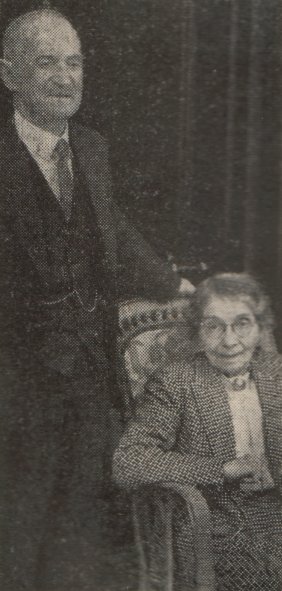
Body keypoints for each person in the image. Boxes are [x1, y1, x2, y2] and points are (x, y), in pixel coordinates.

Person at [0, 8, 194, 591]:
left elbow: (114, 229)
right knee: (18, 531)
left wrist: (175, 284)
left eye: (75, 61)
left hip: (90, 378)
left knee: (78, 533)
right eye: (47, 63)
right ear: (10, 75)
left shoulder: (90, 147)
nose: (66, 78)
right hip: (15, 391)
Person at [114, 273, 282, 590]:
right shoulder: (177, 382)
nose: (230, 341)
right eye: (214, 326)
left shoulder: (275, 374)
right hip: (214, 524)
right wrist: (219, 469)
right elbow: (129, 461)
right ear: (196, 332)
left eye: (242, 323)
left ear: (261, 327)